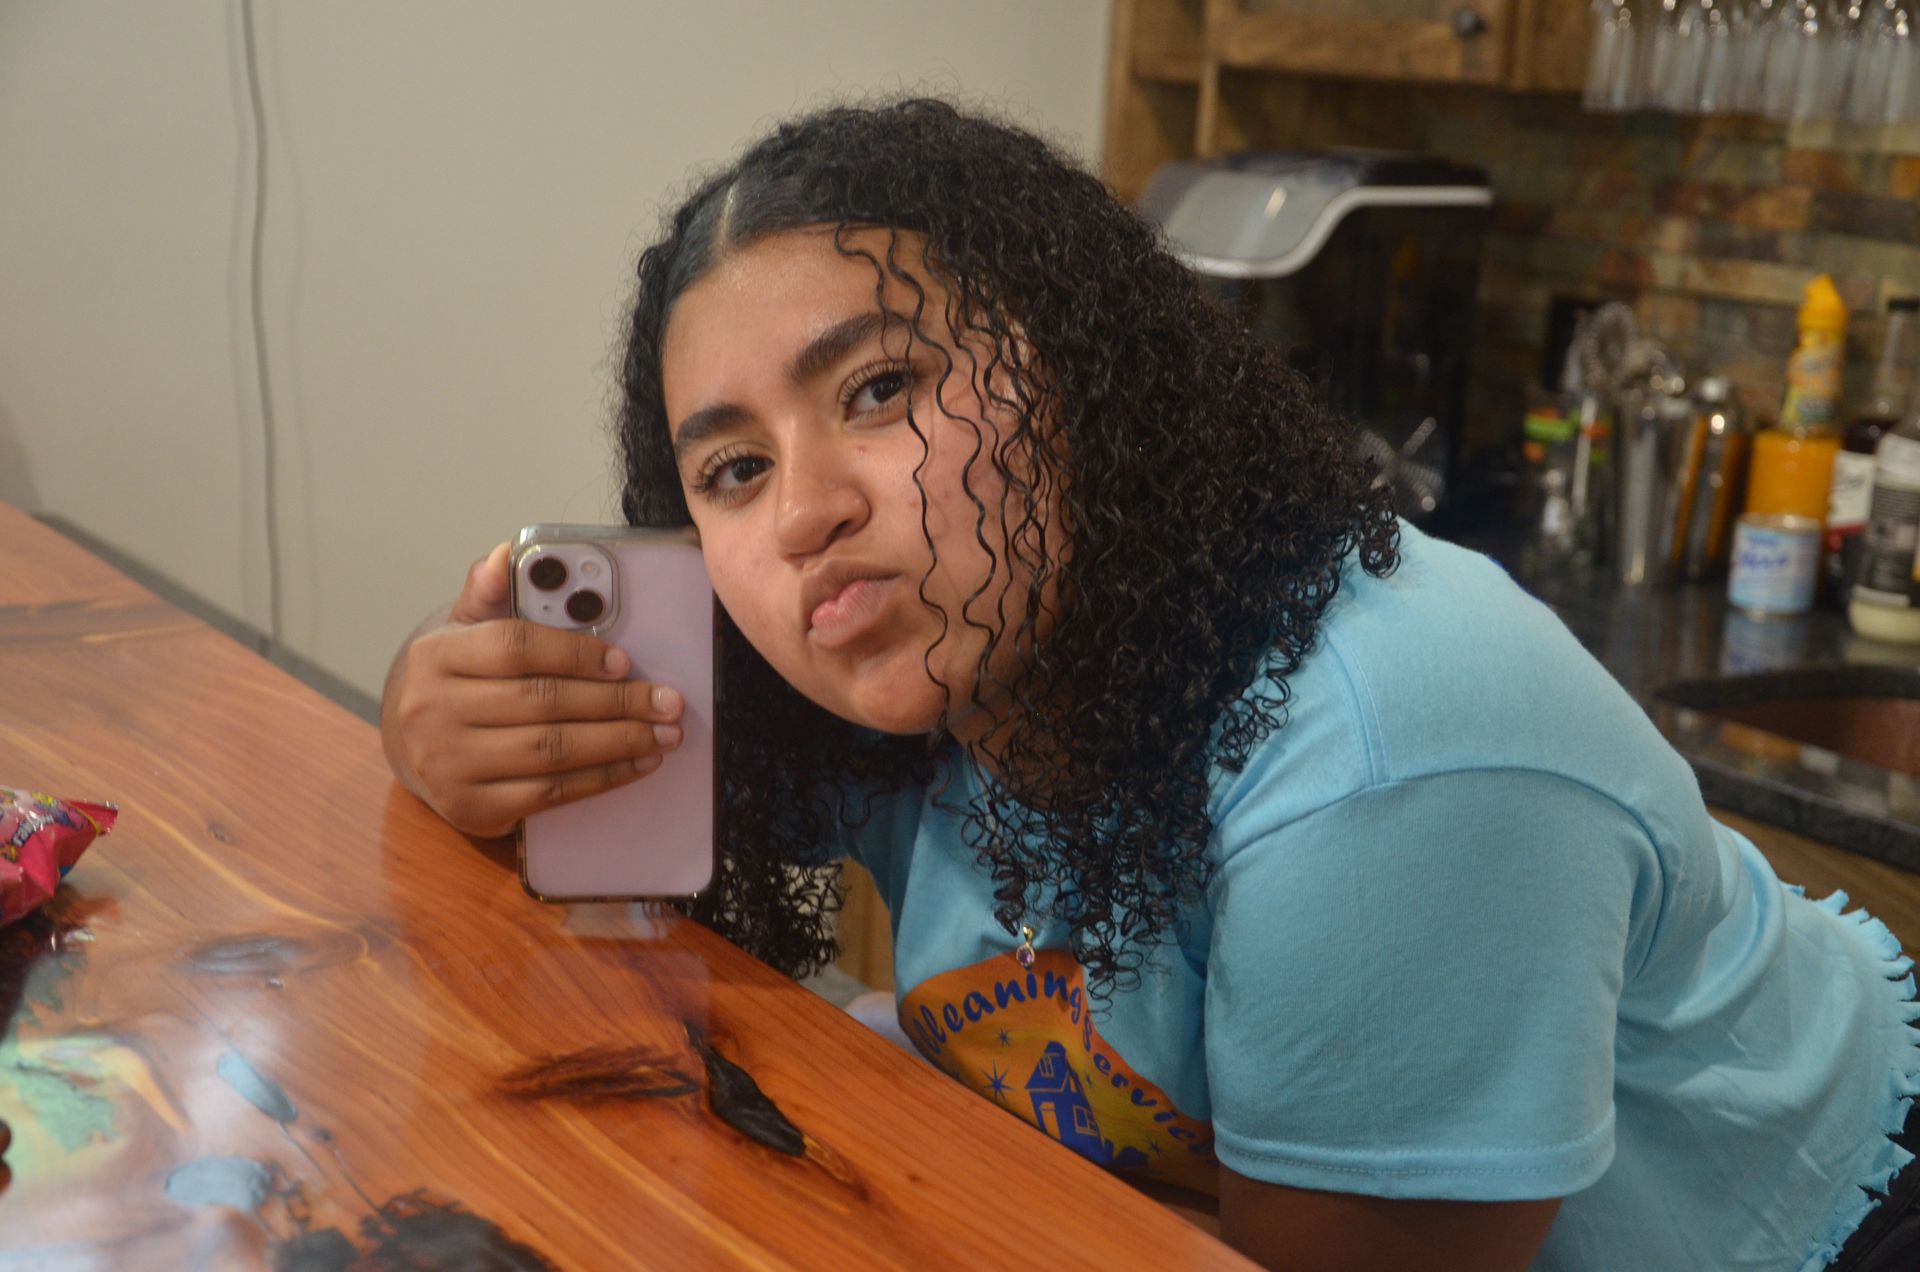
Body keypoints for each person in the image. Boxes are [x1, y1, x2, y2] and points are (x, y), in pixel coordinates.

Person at [380, 99, 1920, 1271]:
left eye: (880, 389)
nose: (801, 513)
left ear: (1078, 366)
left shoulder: (1394, 752)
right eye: (730, 468)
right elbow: (572, 877)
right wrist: (439, 726)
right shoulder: (906, 662)